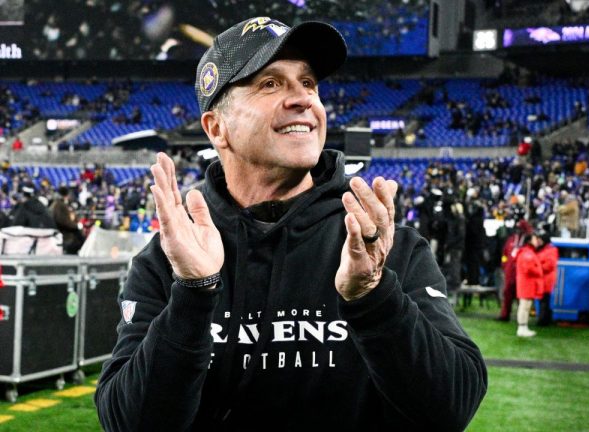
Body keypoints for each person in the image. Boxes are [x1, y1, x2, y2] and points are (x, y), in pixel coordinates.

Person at [95, 17, 487, 431]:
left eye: (309, 83)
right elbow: (128, 423)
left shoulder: (381, 246)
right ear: (217, 128)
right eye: (270, 83)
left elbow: (451, 409)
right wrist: (193, 295)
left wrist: (374, 297)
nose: (303, 99)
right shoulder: (168, 259)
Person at [515, 233, 543, 337]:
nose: (537, 241)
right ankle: (521, 327)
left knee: (526, 306)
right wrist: (539, 270)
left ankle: (524, 327)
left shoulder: (528, 252)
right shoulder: (527, 253)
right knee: (524, 306)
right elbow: (529, 268)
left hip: (528, 283)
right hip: (526, 283)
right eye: (535, 239)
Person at [51, 186, 84, 254]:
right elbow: (63, 221)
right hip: (66, 237)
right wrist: (76, 226)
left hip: (68, 236)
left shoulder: (63, 204)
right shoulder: (59, 205)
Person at [535, 231, 558, 326]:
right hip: (544, 279)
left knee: (544, 300)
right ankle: (546, 319)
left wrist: (537, 267)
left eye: (539, 240)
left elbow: (550, 265)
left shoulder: (550, 250)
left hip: (546, 280)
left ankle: (543, 320)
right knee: (544, 300)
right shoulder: (545, 250)